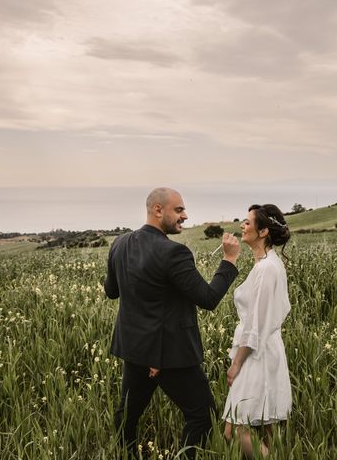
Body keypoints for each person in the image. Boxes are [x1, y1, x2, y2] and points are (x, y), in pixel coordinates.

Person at [104, 187, 241, 459]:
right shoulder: (174, 253)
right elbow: (208, 298)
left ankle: (127, 454)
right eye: (179, 210)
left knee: (127, 414)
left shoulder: (119, 244)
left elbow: (111, 291)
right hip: (170, 352)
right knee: (202, 415)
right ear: (158, 210)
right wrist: (229, 260)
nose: (185, 216)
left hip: (135, 351)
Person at [222, 204, 292, 458]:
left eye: (248, 222)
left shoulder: (266, 268)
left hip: (256, 353)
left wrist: (236, 363)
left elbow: (256, 324)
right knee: (266, 426)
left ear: (263, 232)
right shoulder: (268, 263)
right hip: (266, 349)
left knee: (235, 429)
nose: (243, 225)